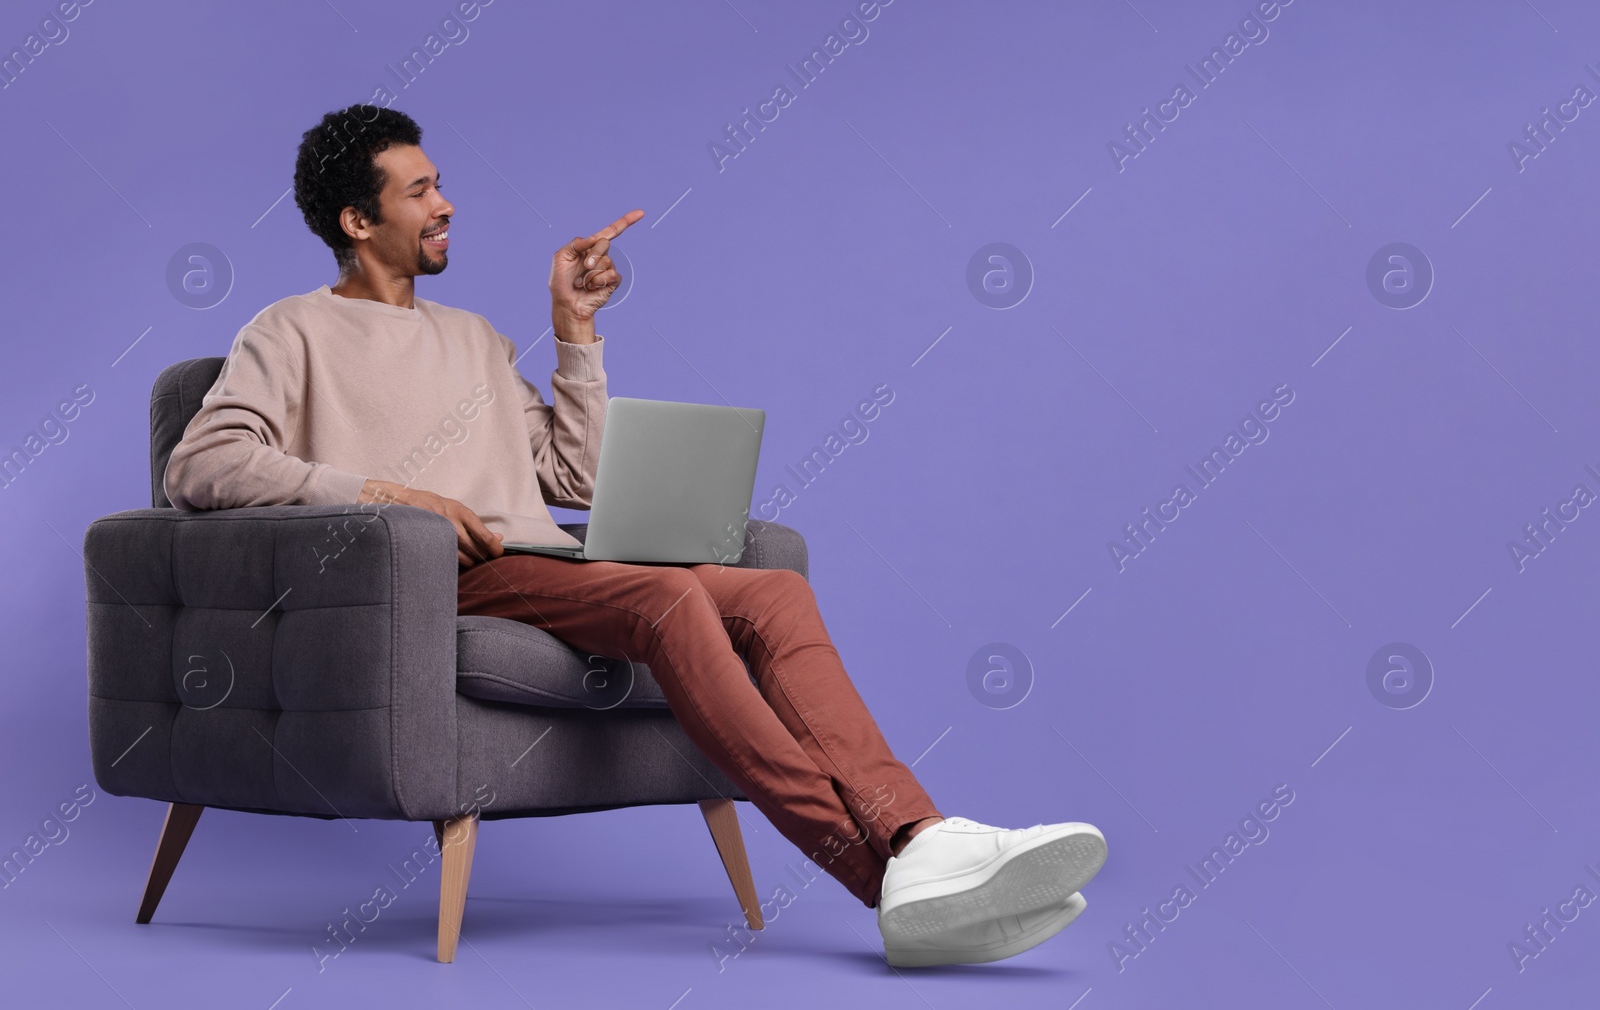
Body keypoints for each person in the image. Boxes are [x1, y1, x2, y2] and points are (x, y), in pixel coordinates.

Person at [162, 104, 1107, 967]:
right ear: (356, 222)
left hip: (550, 561)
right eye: (420, 192)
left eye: (440, 182)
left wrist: (574, 329)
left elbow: (571, 477)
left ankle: (917, 837)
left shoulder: (476, 338)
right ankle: (879, 876)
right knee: (668, 596)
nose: (447, 203)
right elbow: (199, 464)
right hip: (445, 577)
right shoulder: (289, 333)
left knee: (769, 589)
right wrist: (384, 493)